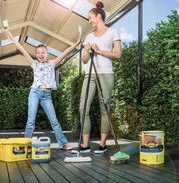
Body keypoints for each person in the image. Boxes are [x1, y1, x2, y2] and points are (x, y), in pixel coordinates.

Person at [6, 29, 81, 150]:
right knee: (31, 121)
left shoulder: (52, 63)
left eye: (43, 52)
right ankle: (26, 144)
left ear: (47, 54)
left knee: (54, 121)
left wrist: (76, 44)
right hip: (35, 93)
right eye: (39, 53)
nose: (41, 55)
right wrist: (12, 38)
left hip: (47, 96)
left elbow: (66, 52)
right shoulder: (34, 63)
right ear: (36, 55)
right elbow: (22, 49)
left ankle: (63, 143)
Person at [73, 1, 122, 154]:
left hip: (106, 73)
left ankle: (102, 144)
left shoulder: (113, 32)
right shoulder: (88, 36)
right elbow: (85, 60)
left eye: (90, 18)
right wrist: (87, 50)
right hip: (90, 74)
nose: (89, 21)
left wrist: (99, 51)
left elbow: (118, 55)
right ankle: (85, 144)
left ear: (99, 16)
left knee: (104, 109)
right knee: (83, 108)